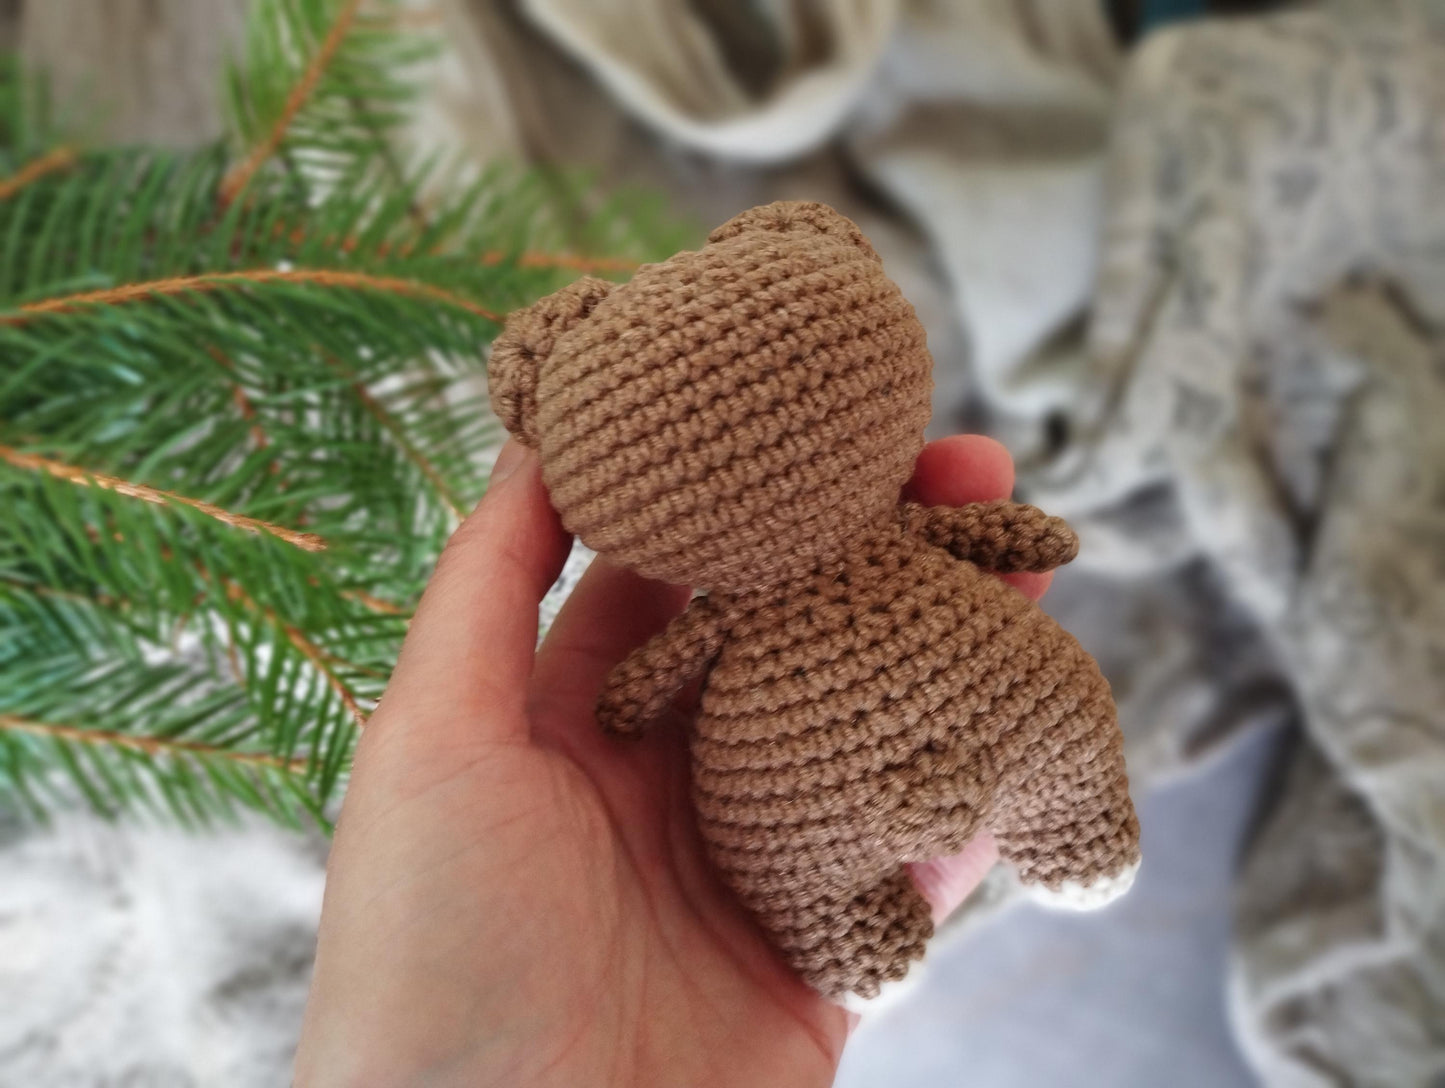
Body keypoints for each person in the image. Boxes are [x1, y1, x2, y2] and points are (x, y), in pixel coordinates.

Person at [295, 434, 1056, 1086]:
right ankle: (866, 919)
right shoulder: (740, 598)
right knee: (1017, 728)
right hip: (785, 789)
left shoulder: (869, 541)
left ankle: (1063, 827)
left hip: (887, 703)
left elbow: (641, 684)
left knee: (1042, 717)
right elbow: (645, 679)